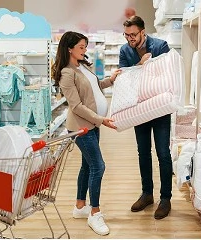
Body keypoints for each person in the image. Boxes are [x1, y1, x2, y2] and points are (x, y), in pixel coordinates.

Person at [52, 31, 121, 236]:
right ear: (69, 48)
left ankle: (80, 206)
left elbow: (95, 87)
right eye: (81, 47)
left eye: (85, 46)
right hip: (82, 127)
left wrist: (111, 79)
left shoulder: (82, 66)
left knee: (87, 165)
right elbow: (76, 106)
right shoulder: (66, 73)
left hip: (92, 125)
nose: (85, 50)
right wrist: (100, 119)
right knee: (98, 167)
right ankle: (95, 213)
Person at [118, 16, 172, 220]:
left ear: (143, 32)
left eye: (133, 34)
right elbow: (123, 77)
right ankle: (147, 193)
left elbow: (167, 74)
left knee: (163, 153)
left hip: (159, 108)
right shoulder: (125, 50)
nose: (130, 39)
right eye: (127, 35)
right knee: (143, 152)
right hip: (138, 108)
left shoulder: (160, 46)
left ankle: (165, 198)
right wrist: (141, 65)